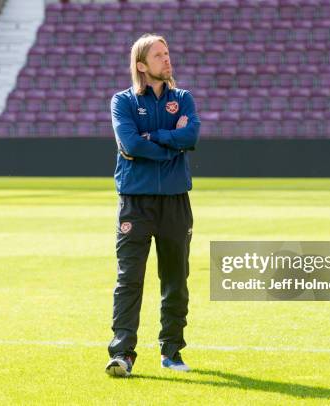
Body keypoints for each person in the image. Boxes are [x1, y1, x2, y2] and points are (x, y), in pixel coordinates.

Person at [105, 34, 201, 377]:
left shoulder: (184, 99)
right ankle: (122, 354)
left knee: (176, 278)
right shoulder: (123, 102)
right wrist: (171, 143)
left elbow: (191, 137)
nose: (167, 59)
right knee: (129, 278)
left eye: (168, 53)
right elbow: (129, 144)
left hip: (176, 201)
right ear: (141, 65)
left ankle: (172, 352)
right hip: (136, 202)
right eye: (159, 55)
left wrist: (155, 137)